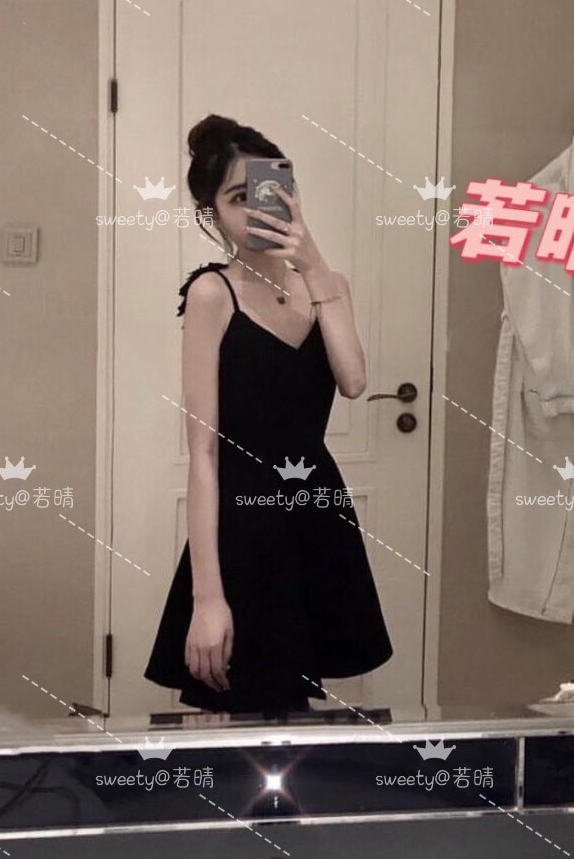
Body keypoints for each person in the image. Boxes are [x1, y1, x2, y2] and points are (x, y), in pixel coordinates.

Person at [144, 114, 393, 715]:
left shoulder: (329, 285)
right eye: (237, 198)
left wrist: (314, 264)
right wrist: (208, 598)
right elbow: (204, 453)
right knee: (247, 701)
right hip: (243, 523)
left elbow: (354, 381)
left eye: (272, 192)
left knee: (301, 709)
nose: (257, 210)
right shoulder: (212, 294)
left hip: (316, 509)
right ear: (212, 213)